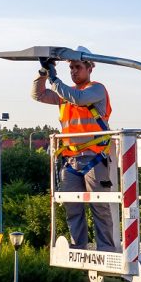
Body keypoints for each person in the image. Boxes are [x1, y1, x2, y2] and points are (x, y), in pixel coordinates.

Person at [31, 52, 115, 251]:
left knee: (100, 206)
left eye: (78, 67)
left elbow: (77, 98)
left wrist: (54, 78)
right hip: (71, 159)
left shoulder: (96, 90)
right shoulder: (65, 94)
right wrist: (43, 72)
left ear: (89, 68)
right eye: (71, 68)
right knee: (71, 207)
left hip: (95, 157)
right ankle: (79, 248)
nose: (74, 71)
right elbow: (38, 94)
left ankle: (106, 250)